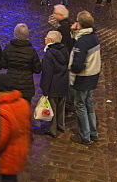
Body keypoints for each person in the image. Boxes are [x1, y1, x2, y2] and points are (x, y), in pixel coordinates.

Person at [0, 73, 31, 182]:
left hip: (8, 156)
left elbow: (1, 139)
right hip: (20, 150)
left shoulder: (3, 110)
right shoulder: (23, 102)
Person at [69, 11, 101, 145]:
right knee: (89, 104)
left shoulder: (82, 42)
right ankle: (93, 132)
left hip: (83, 78)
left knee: (80, 106)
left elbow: (78, 64)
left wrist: (71, 70)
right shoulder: (93, 37)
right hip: (93, 76)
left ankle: (84, 135)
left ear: (80, 24)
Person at [39, 30, 69, 138]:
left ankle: (52, 130)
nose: (44, 39)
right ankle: (61, 126)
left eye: (46, 38)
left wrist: (45, 88)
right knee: (61, 107)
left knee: (52, 108)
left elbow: (47, 73)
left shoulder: (49, 54)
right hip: (63, 84)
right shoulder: (65, 50)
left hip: (53, 85)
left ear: (50, 41)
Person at [1, 23, 41, 102]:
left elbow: (3, 64)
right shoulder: (31, 50)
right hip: (26, 86)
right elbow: (37, 69)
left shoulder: (9, 48)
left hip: (11, 84)